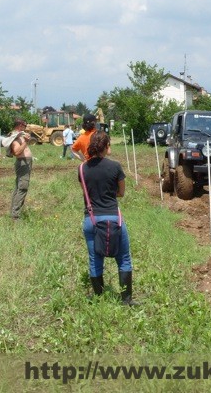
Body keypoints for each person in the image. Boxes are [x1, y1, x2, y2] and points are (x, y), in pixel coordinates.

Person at [79, 130, 135, 305]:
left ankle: (98, 297)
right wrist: (110, 194)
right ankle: (126, 300)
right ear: (105, 146)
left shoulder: (82, 169)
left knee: (95, 259)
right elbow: (121, 193)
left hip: (91, 219)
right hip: (113, 218)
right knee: (124, 258)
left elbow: (86, 193)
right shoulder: (115, 167)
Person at [8, 118, 33, 220]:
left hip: (25, 162)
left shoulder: (19, 136)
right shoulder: (14, 137)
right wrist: (25, 142)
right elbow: (17, 152)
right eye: (24, 126)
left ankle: (15, 212)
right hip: (22, 163)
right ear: (19, 126)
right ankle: (15, 215)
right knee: (22, 187)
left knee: (19, 187)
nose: (25, 128)